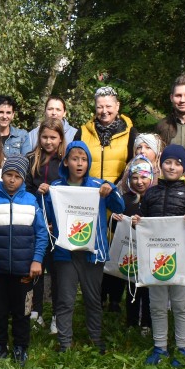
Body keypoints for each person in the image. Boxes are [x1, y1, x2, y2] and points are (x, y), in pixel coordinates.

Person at [132, 144, 185, 367]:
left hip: (183, 256)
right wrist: (137, 221)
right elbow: (142, 217)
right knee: (156, 303)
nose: (172, 167)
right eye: (168, 162)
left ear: (184, 167)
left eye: (177, 163)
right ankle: (160, 347)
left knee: (181, 304)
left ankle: (182, 347)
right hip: (155, 256)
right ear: (160, 165)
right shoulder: (151, 193)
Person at [47, 141, 125, 354]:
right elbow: (47, 213)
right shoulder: (57, 187)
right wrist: (44, 194)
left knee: (93, 298)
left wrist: (112, 190)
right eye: (74, 158)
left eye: (84, 159)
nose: (79, 163)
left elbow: (120, 207)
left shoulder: (98, 186)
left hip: (92, 253)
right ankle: (64, 342)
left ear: (88, 162)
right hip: (66, 252)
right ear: (66, 162)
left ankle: (96, 339)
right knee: (65, 299)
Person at [0, 155, 49, 365]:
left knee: (22, 311)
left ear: (23, 179)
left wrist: (37, 260)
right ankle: (0, 344)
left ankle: (20, 346)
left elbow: (41, 234)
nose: (12, 180)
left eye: (17, 176)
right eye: (8, 175)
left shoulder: (31, 201)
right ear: (2, 175)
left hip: (24, 270)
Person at [26, 119, 66, 331]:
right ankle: (35, 311)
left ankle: (57, 316)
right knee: (36, 267)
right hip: (35, 224)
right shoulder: (30, 159)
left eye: (53, 137)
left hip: (59, 227)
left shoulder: (66, 161)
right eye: (45, 137)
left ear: (60, 138)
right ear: (38, 137)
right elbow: (24, 191)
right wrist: (38, 192)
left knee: (57, 271)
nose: (48, 141)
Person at [117, 157, 156, 334]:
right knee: (131, 286)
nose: (139, 182)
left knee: (148, 289)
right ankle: (131, 321)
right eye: (135, 178)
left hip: (150, 252)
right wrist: (116, 219)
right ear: (129, 179)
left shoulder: (155, 198)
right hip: (131, 250)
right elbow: (116, 223)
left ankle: (147, 322)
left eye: (143, 177)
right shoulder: (124, 200)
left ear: (151, 178)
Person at [75, 86, 135, 184]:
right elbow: (74, 162)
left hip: (117, 191)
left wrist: (114, 186)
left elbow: (133, 164)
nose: (104, 111)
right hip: (88, 190)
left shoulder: (130, 133)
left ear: (117, 106)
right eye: (100, 107)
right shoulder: (83, 132)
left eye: (108, 106)